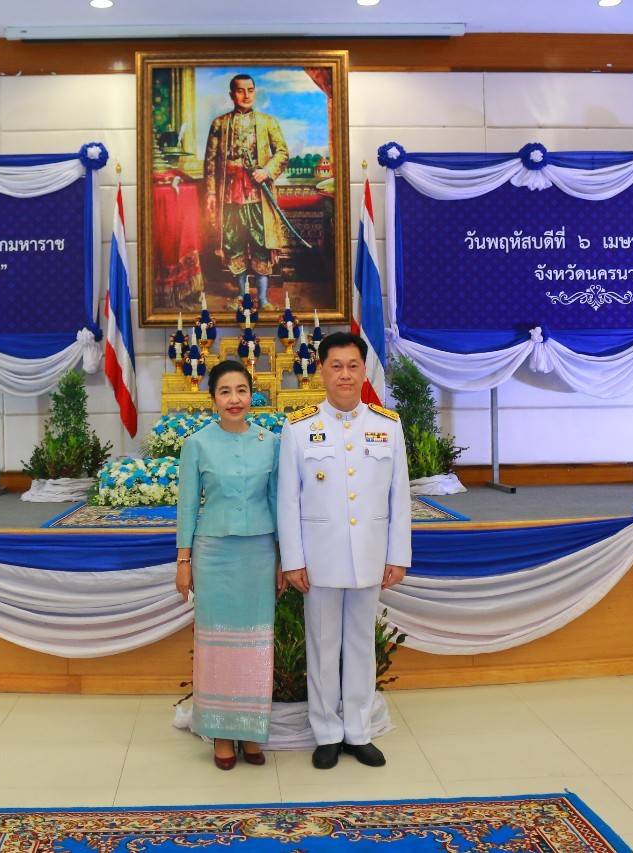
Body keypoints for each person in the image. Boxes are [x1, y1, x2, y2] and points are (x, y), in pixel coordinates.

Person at [277, 331, 411, 770]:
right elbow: (288, 500)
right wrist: (293, 559)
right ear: (321, 370)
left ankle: (357, 729)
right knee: (322, 643)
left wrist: (397, 555)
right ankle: (327, 732)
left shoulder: (387, 426)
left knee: (359, 644)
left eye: (353, 365)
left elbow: (398, 497)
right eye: (336, 366)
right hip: (319, 557)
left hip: (370, 555)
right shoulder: (298, 428)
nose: (345, 375)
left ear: (362, 370)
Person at [176, 360, 281, 770]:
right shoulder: (197, 444)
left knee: (255, 644)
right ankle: (220, 732)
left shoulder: (270, 442)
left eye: (241, 390)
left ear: (252, 394)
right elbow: (187, 507)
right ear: (213, 399)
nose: (234, 399)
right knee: (217, 645)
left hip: (259, 553)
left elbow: (277, 502)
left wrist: (284, 559)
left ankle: (251, 732)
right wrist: (183, 561)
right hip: (214, 554)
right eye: (225, 391)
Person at [203, 73, 289, 311]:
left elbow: (282, 153)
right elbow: (210, 163)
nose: (246, 95)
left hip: (257, 196)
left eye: (250, 90)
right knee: (233, 244)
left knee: (261, 244)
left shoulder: (268, 122)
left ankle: (262, 299)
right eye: (240, 91)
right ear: (232, 94)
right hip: (229, 197)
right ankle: (243, 297)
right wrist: (211, 195)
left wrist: (267, 171)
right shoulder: (219, 124)